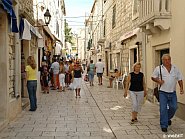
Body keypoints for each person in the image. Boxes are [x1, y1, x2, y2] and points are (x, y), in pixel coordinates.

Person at [151, 54, 184, 132]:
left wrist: (181, 88)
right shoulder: (158, 68)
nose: (167, 61)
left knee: (174, 107)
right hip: (162, 92)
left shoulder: (175, 69)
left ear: (170, 60)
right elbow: (153, 77)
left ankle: (167, 118)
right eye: (165, 59)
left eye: (168, 59)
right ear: (162, 60)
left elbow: (179, 79)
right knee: (163, 109)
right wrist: (158, 81)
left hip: (172, 93)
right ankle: (164, 125)